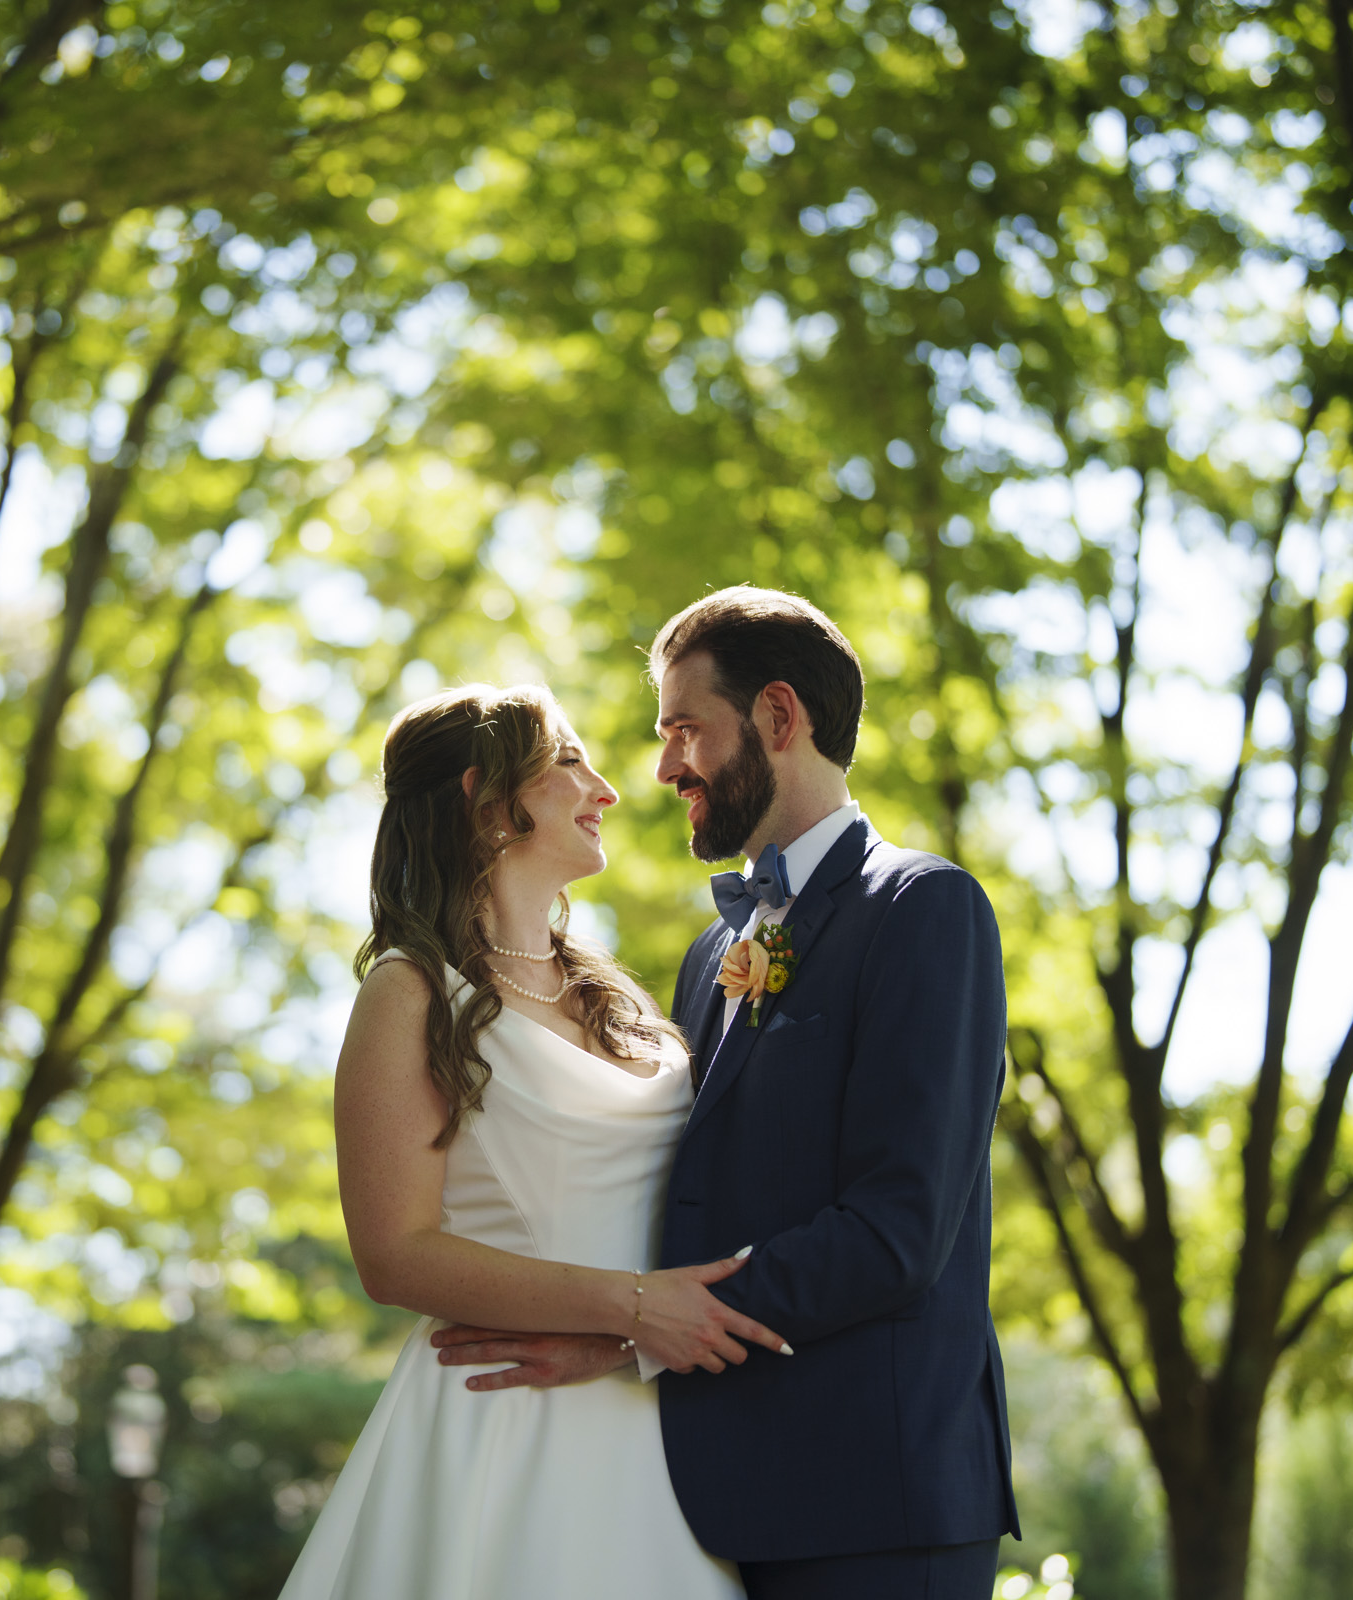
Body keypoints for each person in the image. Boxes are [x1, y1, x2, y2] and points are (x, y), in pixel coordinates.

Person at [431, 587, 1020, 1599]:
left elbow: (898, 1230)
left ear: (780, 718)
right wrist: (611, 1321)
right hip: (713, 1504)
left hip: (879, 1506)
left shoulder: (927, 909)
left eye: (685, 730)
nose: (662, 769)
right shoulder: (711, 955)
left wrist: (644, 1329)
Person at [278, 683, 771, 1600]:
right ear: (487, 798)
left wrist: (642, 1333)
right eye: (570, 761)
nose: (608, 789)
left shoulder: (617, 999)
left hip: (660, 1426)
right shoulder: (410, 991)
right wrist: (632, 1303)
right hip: (508, 1427)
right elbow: (393, 1254)